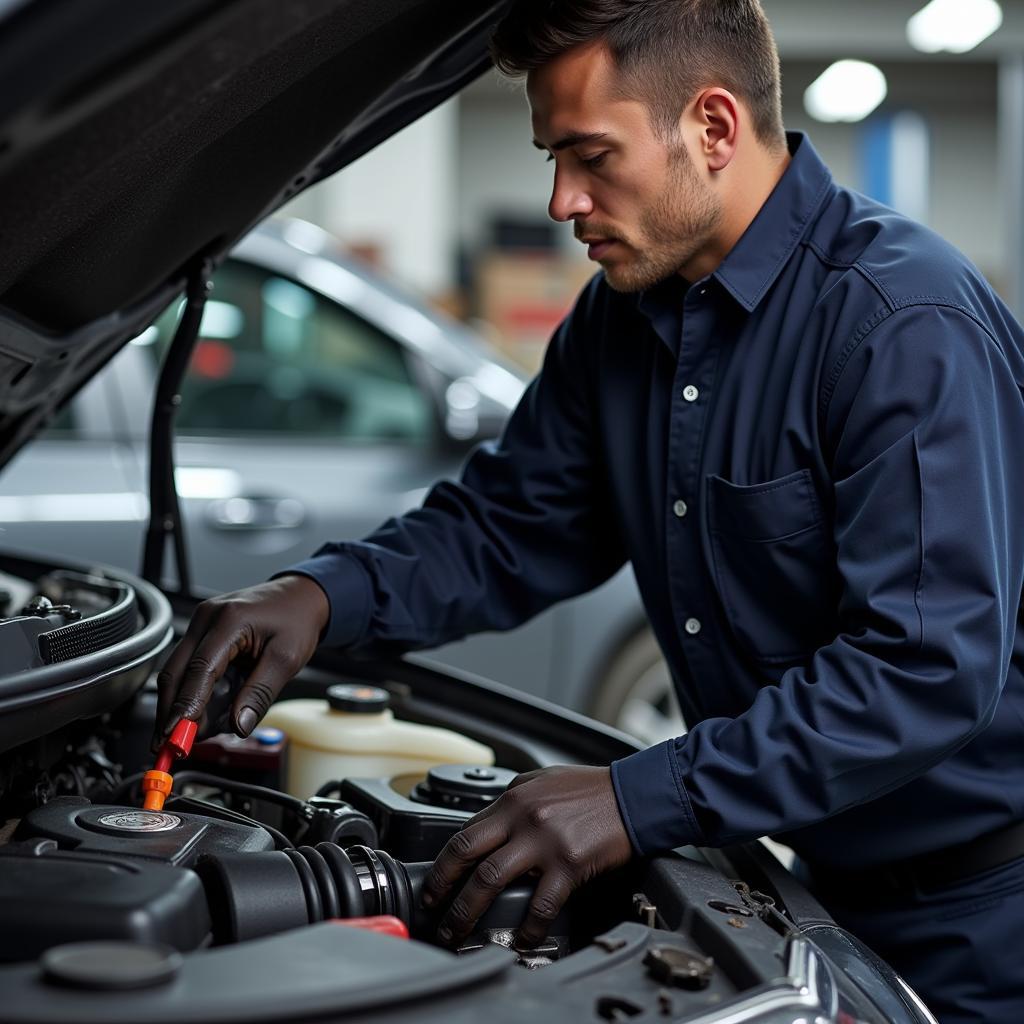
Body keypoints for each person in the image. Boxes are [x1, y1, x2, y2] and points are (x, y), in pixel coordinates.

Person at [154, 2, 1024, 1020]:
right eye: (550, 156)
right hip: (815, 884)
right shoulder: (621, 324)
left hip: (983, 918)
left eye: (590, 154)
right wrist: (323, 594)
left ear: (711, 126)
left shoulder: (898, 324)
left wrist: (635, 797)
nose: (563, 199)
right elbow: (508, 527)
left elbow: (921, 669)